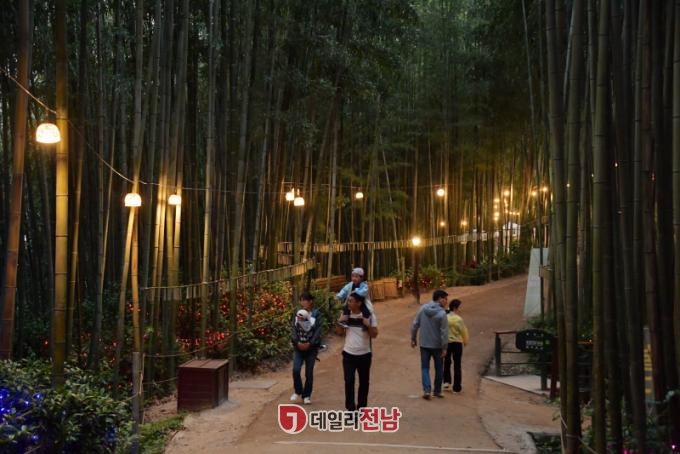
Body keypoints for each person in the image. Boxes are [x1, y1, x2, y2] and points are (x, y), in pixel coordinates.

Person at [336, 292, 378, 413]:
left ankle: (362, 408)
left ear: (359, 303)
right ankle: (350, 409)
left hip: (364, 354)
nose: (348, 303)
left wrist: (368, 325)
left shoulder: (369, 316)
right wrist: (340, 322)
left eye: (351, 301)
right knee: (349, 381)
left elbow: (374, 335)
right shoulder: (346, 314)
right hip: (348, 353)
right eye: (348, 301)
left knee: (364, 382)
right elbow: (339, 333)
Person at [410, 289, 449, 399]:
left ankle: (427, 390)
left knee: (425, 368)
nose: (446, 301)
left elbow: (415, 324)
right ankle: (437, 391)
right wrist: (444, 347)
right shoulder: (442, 314)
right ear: (440, 299)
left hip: (424, 344)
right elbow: (444, 332)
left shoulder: (423, 309)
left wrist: (413, 338)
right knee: (439, 368)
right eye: (445, 299)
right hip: (437, 346)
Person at [290, 292, 322, 405]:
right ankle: (298, 390)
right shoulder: (297, 313)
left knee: (309, 373)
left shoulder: (316, 314)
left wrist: (310, 343)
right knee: (296, 369)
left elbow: (318, 331)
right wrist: (296, 342)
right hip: (298, 347)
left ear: (310, 301)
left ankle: (307, 395)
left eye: (305, 300)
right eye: (301, 300)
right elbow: (293, 328)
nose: (302, 302)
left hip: (311, 349)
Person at [443, 299, 469, 393]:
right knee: (457, 365)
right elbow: (463, 331)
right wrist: (465, 341)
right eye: (459, 307)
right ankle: (456, 387)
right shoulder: (459, 319)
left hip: (447, 343)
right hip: (457, 343)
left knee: (447, 362)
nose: (460, 309)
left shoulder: (445, 318)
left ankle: (446, 381)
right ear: (455, 308)